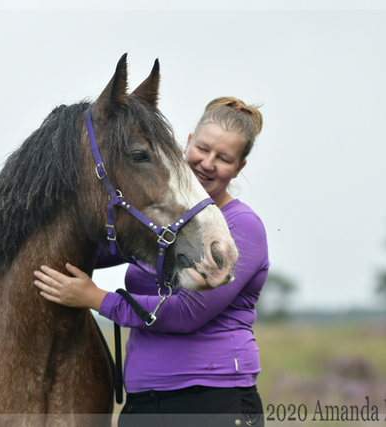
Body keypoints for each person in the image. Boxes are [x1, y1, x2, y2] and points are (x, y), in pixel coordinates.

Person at [34, 97, 269, 427]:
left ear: (239, 167)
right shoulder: (160, 225)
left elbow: (187, 313)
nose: (208, 163)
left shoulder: (242, 227)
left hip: (213, 400)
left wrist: (95, 298)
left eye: (224, 158)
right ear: (186, 143)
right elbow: (88, 251)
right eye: (202, 149)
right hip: (143, 402)